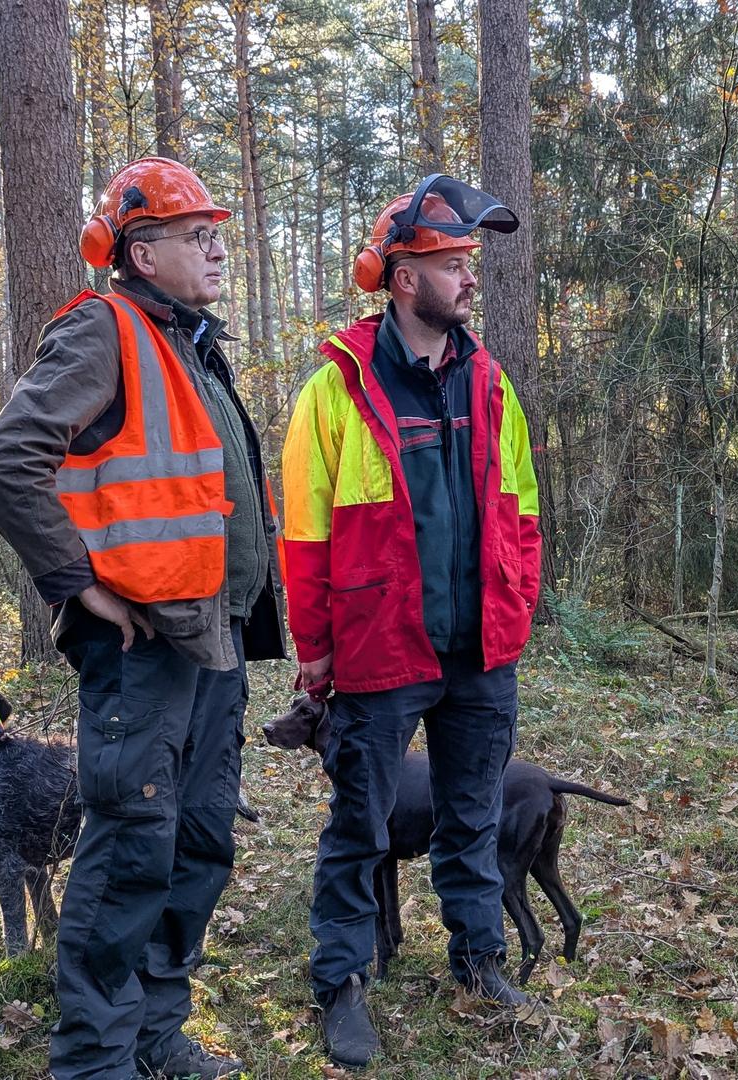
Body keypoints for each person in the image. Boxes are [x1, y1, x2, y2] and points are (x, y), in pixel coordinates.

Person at [0, 157, 283, 1080]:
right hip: (142, 645)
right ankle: (95, 1063)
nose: (219, 249)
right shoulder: (105, 331)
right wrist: (75, 581)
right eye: (198, 236)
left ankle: (155, 1033)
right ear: (140, 253)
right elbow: (4, 460)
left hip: (213, 636)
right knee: (132, 847)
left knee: (201, 838)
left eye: (217, 233)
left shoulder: (189, 342)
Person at [278, 174, 543, 1070]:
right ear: (402, 278)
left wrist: (514, 608)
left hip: (480, 652)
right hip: (381, 652)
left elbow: (523, 511)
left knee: (470, 817)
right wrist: (315, 654)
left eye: (472, 262)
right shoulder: (334, 392)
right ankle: (343, 985)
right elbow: (306, 534)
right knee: (360, 827)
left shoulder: (491, 382)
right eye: (452, 263)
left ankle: (478, 959)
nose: (470, 279)